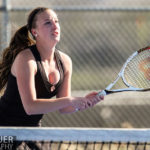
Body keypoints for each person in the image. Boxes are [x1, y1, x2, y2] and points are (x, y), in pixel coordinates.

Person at [0, 7, 104, 127]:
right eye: (48, 22)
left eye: (56, 21)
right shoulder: (26, 60)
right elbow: (30, 107)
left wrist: (82, 102)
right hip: (4, 128)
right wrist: (69, 100)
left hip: (32, 129)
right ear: (35, 32)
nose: (55, 26)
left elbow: (65, 108)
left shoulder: (65, 62)